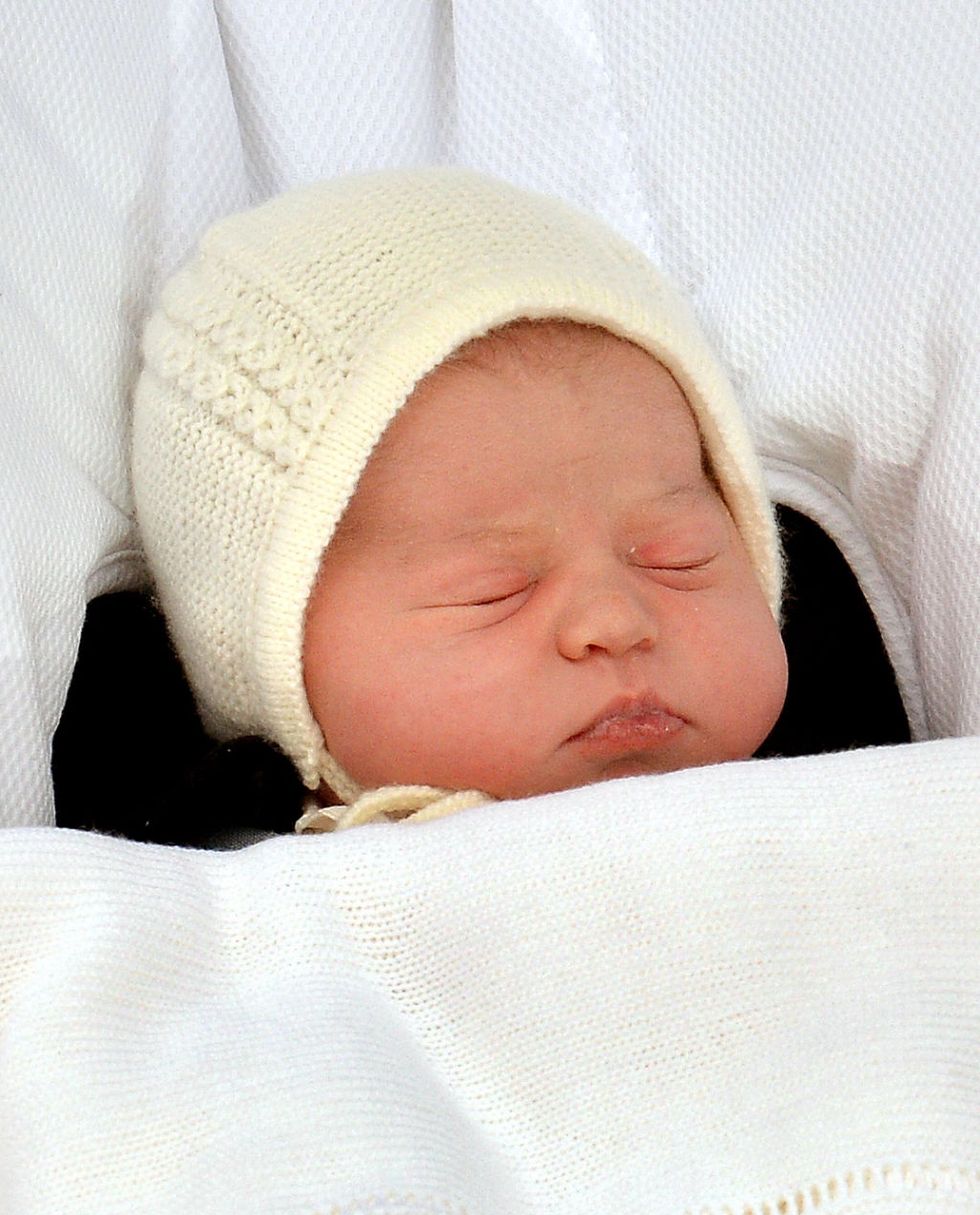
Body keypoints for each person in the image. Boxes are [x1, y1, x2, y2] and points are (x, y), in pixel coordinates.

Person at [132, 167, 787, 832]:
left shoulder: (861, 802)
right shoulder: (227, 910)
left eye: (679, 558)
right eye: (494, 591)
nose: (616, 623)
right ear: (275, 668)